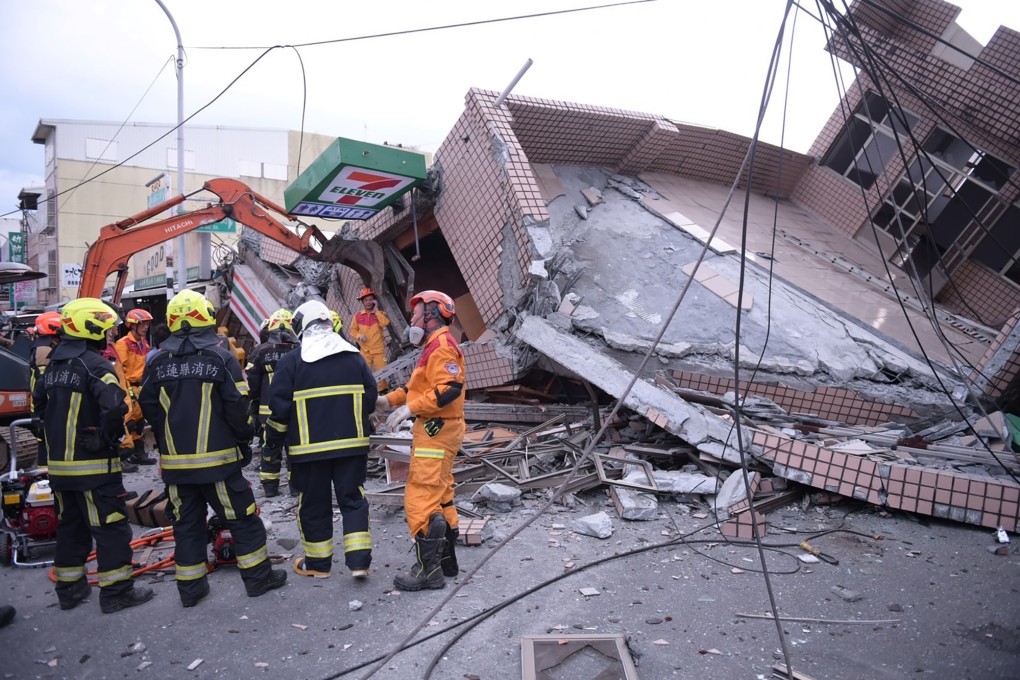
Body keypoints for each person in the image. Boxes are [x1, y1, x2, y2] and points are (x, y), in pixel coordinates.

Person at [139, 290, 286, 607]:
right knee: (243, 520)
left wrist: (167, 440)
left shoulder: (157, 362)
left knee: (187, 526)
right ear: (205, 318)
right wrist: (244, 441)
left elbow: (148, 406)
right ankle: (259, 580)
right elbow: (238, 407)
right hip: (219, 465)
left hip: (177, 468)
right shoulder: (221, 358)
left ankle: (191, 590)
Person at [33, 298, 154, 614]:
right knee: (111, 528)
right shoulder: (95, 365)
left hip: (59, 469)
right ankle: (116, 593)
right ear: (93, 328)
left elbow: (38, 408)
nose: (111, 334)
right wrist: (105, 437)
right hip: (94, 470)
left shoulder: (54, 366)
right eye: (108, 328)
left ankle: (69, 591)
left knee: (70, 528)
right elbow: (115, 407)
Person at [264, 299, 377, 580]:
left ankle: (318, 565)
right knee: (353, 500)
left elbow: (279, 410)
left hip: (308, 452)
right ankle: (359, 563)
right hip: (352, 447)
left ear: (302, 327)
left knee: (314, 505)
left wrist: (272, 447)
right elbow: (370, 398)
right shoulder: (354, 356)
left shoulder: (292, 362)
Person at [376, 290, 465, 591]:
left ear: (431, 315)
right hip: (440, 429)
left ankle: (429, 572)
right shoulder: (432, 347)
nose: (411, 320)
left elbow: (449, 388)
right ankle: (446, 562)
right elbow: (416, 388)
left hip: (436, 430)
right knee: (441, 494)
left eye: (415, 314)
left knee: (421, 497)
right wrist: (387, 401)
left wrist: (410, 409)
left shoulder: (441, 346)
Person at [247, 309, 299, 497]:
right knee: (294, 448)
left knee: (270, 448)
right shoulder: (299, 350)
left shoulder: (260, 351)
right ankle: (295, 487)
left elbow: (252, 383)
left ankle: (270, 487)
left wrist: (253, 405)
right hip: (294, 411)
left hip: (267, 411)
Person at [114, 308, 155, 466]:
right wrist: (126, 393)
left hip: (140, 389)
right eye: (142, 324)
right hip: (128, 389)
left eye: (147, 324)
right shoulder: (123, 344)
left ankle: (139, 454)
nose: (146, 327)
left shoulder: (144, 344)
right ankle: (123, 458)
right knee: (128, 423)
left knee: (139, 423)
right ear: (132, 325)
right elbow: (121, 371)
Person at [28, 311, 62, 465]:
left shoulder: (42, 346)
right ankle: (45, 470)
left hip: (41, 404)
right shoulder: (45, 350)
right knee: (46, 439)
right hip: (44, 406)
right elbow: (45, 382)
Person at [348, 288, 390, 390]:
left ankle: (383, 391)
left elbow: (385, 323)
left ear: (374, 301)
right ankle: (368, 392)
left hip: (379, 351)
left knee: (383, 373)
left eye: (370, 299)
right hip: (365, 351)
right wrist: (359, 336)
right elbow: (352, 331)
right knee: (363, 374)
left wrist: (376, 311)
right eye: (366, 300)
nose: (368, 302)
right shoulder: (357, 316)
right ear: (362, 302)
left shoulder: (380, 314)